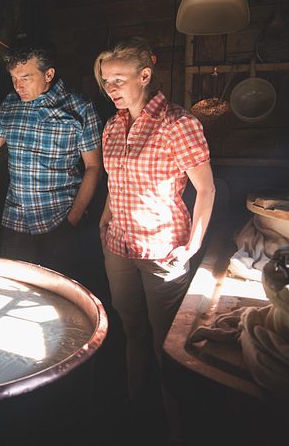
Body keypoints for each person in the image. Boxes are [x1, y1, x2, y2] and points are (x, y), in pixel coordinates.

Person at [94, 36, 215, 442]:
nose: (111, 88)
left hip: (164, 249)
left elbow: (206, 189)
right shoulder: (112, 125)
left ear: (145, 75)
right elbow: (116, 180)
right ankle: (135, 411)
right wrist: (105, 218)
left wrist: (192, 246)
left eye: (119, 79)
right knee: (132, 329)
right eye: (106, 81)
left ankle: (177, 427)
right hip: (119, 246)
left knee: (168, 345)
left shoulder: (178, 123)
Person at [0, 37, 103, 276]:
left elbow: (94, 167)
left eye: (26, 78)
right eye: (14, 78)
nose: (18, 86)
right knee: (17, 287)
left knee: (59, 294)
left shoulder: (79, 108)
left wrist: (71, 221)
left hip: (58, 218)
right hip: (17, 220)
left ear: (48, 74)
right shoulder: (11, 103)